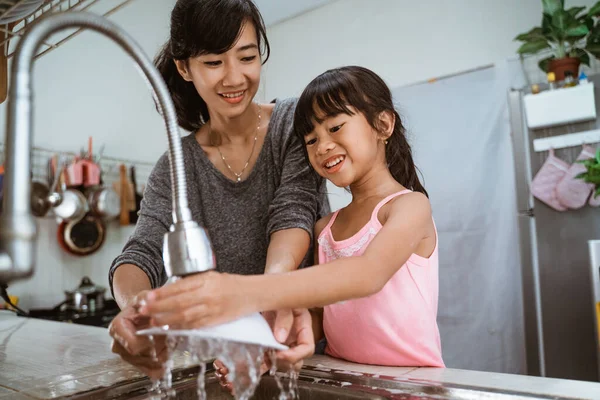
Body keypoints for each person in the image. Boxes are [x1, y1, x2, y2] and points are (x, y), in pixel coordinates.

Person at [138, 66, 445, 368]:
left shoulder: (410, 207)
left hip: (413, 384)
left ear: (383, 125)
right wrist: (267, 350)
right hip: (346, 380)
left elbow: (367, 274)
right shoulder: (325, 228)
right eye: (311, 140)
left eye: (335, 127)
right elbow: (320, 319)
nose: (322, 145)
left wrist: (242, 291)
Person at [108, 0, 329, 379]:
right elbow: (143, 250)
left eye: (246, 57)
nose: (234, 78)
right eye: (213, 62)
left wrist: (272, 292)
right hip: (229, 358)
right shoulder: (176, 166)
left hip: (307, 345)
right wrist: (137, 305)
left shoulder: (295, 123)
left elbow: (293, 212)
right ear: (184, 68)